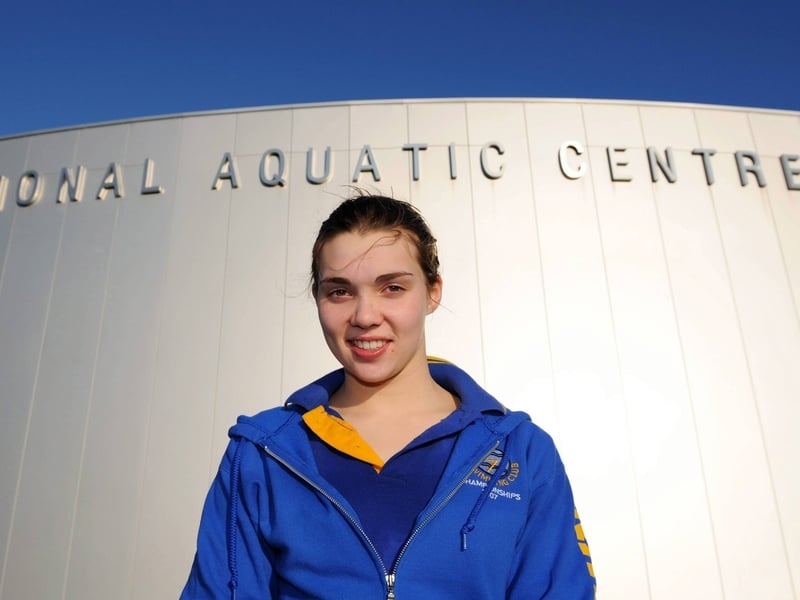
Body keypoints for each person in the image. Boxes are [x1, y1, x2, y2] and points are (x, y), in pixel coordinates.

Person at [180, 193, 596, 599]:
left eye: (392, 288)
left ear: (433, 292)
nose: (364, 316)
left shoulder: (522, 453)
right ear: (318, 298)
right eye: (339, 291)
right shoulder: (262, 455)